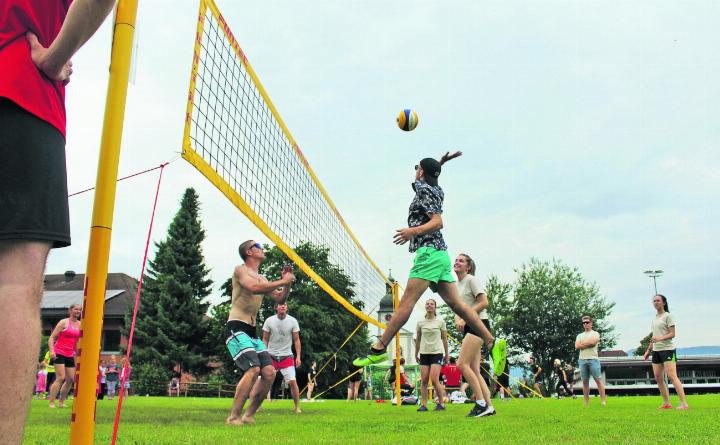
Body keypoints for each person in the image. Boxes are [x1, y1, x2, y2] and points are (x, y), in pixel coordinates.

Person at [0, 1, 117, 442]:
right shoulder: (68, 326)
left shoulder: (78, 325)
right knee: (11, 280)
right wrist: (54, 55)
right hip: (19, 88)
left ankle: (56, 396)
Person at [354, 153, 495, 372]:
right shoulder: (435, 189)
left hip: (429, 253)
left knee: (407, 302)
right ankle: (491, 341)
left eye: (417, 168)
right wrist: (439, 164)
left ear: (421, 172)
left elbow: (438, 222)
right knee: (458, 305)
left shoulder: (425, 190)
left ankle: (379, 348)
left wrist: (413, 231)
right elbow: (431, 178)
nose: (415, 171)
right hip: (440, 254)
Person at [225, 240, 294, 425]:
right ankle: (233, 417)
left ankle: (248, 415)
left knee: (270, 372)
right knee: (253, 368)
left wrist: (286, 284)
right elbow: (253, 288)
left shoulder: (263, 278)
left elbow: (280, 297)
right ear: (249, 251)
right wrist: (282, 281)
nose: (262, 248)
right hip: (236, 326)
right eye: (258, 245)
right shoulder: (241, 270)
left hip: (252, 331)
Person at [453, 253, 496, 417]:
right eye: (456, 260)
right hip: (469, 327)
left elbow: (484, 302)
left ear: (469, 266)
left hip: (479, 325)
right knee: (474, 370)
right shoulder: (456, 285)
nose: (457, 262)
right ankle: (489, 407)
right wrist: (458, 317)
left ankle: (480, 403)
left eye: (461, 260)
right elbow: (459, 308)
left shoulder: (471, 279)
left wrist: (465, 316)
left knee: (462, 364)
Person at [643, 295, 688, 410]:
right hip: (656, 351)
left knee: (672, 376)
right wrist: (648, 350)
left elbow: (672, 334)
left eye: (658, 301)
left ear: (664, 303)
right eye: (654, 301)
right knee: (658, 377)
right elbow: (654, 336)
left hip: (668, 350)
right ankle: (666, 403)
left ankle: (683, 403)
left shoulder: (668, 316)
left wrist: (660, 338)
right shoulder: (654, 318)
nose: (655, 302)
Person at [262, 302, 302, 414]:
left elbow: (297, 340)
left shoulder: (293, 321)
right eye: (280, 304)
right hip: (271, 356)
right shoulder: (269, 321)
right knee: (264, 381)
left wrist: (298, 356)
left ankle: (297, 407)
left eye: (284, 304)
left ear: (287, 307)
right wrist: (263, 354)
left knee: (293, 382)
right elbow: (264, 339)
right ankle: (257, 405)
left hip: (287, 356)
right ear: (276, 308)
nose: (283, 306)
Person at [415, 298, 448, 412]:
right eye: (427, 304)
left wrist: (446, 354)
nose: (429, 305)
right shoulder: (420, 322)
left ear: (435, 307)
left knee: (434, 379)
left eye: (432, 304)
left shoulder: (440, 321)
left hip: (437, 352)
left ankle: (441, 404)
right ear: (425, 306)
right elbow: (418, 339)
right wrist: (416, 353)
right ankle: (423, 405)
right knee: (424, 380)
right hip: (424, 353)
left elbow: (444, 339)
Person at [47, 304, 82, 408]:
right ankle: (51, 402)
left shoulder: (81, 324)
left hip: (70, 354)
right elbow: (51, 338)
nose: (78, 311)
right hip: (59, 352)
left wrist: (77, 355)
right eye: (76, 309)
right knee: (60, 377)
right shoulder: (64, 322)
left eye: (80, 310)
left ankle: (61, 402)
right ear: (70, 310)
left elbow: (77, 342)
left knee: (71, 379)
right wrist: (52, 351)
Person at [575, 315, 607, 406]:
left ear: (591, 323)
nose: (585, 324)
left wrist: (583, 344)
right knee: (585, 382)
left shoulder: (595, 334)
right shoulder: (579, 335)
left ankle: (603, 401)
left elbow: (593, 343)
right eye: (583, 323)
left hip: (593, 359)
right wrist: (587, 343)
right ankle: (586, 402)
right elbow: (577, 346)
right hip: (582, 360)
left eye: (587, 322)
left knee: (598, 380)